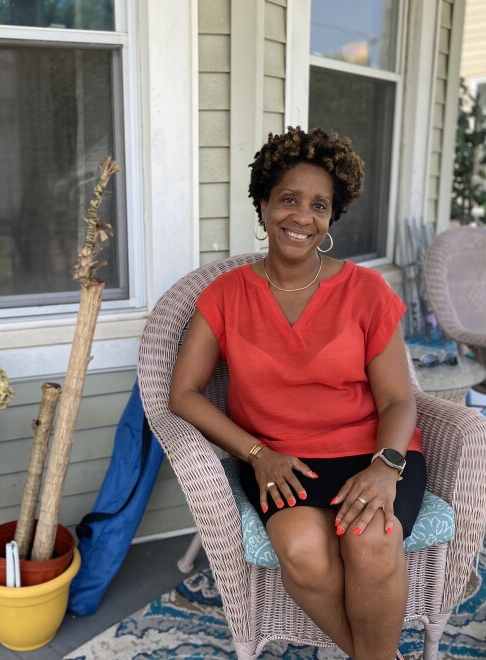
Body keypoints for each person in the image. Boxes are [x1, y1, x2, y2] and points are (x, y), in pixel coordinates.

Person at [168, 127, 425, 660]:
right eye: (288, 199)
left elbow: (399, 399)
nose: (302, 217)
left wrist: (386, 466)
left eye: (319, 206)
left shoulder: (366, 291)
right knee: (302, 550)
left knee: (371, 540)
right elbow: (184, 394)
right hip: (279, 459)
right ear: (262, 205)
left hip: (371, 450)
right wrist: (256, 454)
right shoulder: (225, 294)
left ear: (331, 218)